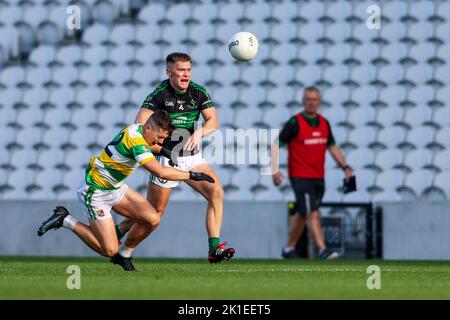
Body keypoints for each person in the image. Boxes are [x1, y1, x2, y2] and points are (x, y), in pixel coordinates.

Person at [37, 110, 215, 271]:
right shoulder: (136, 141)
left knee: (152, 218)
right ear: (148, 128)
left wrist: (165, 151)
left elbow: (150, 146)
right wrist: (190, 174)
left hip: (115, 187)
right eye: (159, 137)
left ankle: (124, 254)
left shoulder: (137, 130)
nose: (160, 142)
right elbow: (159, 171)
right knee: (108, 250)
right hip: (96, 192)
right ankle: (66, 219)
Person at [114, 52, 235, 264]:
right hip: (167, 159)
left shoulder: (198, 92)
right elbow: (138, 130)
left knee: (216, 192)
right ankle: (117, 237)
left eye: (188, 70)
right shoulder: (158, 95)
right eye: (181, 70)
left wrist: (200, 132)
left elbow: (213, 122)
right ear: (169, 71)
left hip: (192, 156)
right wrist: (161, 150)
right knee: (153, 213)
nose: (185, 74)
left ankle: (214, 249)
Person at [271, 86, 353, 260]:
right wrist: (274, 170)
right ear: (303, 101)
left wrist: (345, 167)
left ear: (319, 102)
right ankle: (323, 249)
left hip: (318, 177)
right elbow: (276, 144)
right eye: (308, 99)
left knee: (303, 213)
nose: (311, 102)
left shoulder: (324, 123)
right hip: (300, 176)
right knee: (312, 213)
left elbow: (332, 147)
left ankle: (288, 249)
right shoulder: (295, 123)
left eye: (314, 99)